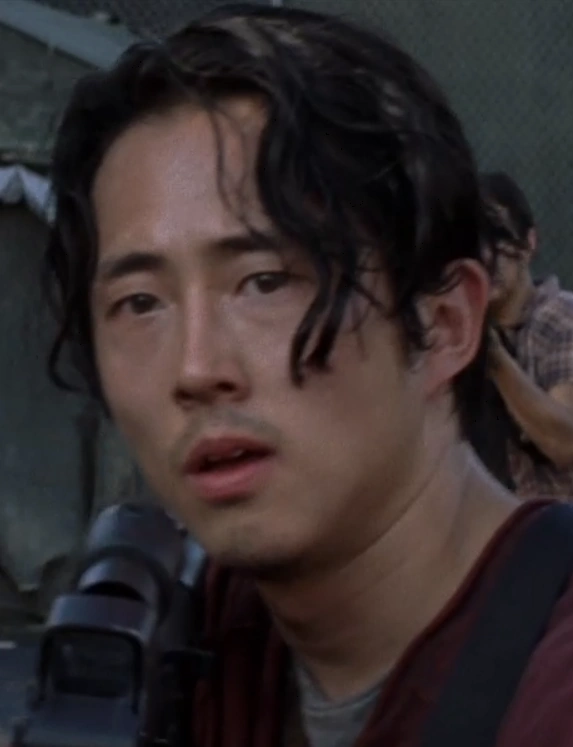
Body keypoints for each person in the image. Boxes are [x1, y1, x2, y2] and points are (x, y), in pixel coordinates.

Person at [44, 5, 573, 746]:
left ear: (445, 324)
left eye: (265, 282)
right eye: (140, 302)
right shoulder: (185, 646)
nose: (196, 369)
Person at [481, 171, 573, 500]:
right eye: (473, 244)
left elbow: (565, 443)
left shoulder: (558, 317)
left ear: (529, 243)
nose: (485, 256)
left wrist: (492, 355)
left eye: (497, 237)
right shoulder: (469, 334)